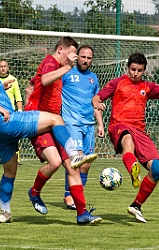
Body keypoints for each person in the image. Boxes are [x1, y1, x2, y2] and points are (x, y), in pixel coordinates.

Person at [0, 46, 96, 224]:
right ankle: (75, 155)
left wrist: (1, 88)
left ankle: (5, 213)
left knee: (9, 171)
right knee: (56, 119)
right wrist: (0, 108)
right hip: (8, 121)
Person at [92, 52, 159, 223]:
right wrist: (96, 103)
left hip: (140, 131)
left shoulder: (147, 87)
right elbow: (97, 97)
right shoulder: (117, 83)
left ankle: (136, 205)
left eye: (139, 70)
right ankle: (133, 170)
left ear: (144, 70)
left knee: (157, 168)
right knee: (128, 142)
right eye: (132, 69)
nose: (135, 73)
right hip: (119, 126)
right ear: (128, 68)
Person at [25, 37, 101, 225]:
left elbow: (31, 84)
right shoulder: (51, 62)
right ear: (61, 49)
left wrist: (28, 94)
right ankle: (34, 192)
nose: (74, 57)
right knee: (56, 161)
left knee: (72, 166)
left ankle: (82, 213)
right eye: (72, 53)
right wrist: (67, 67)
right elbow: (43, 79)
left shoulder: (58, 68)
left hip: (55, 124)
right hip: (40, 121)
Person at [61, 44, 104, 210]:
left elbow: (95, 103)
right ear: (77, 56)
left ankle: (76, 194)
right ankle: (69, 196)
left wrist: (100, 124)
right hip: (71, 122)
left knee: (86, 164)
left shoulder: (93, 78)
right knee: (78, 160)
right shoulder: (66, 73)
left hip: (89, 125)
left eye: (89, 58)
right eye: (83, 57)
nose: (86, 60)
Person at [0, 59, 23, 165]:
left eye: (5, 66)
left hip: (11, 112)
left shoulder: (13, 79)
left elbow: (18, 96)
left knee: (13, 135)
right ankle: (2, 157)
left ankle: (16, 157)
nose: (3, 68)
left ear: (8, 68)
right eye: (1, 66)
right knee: (0, 135)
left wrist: (20, 111)